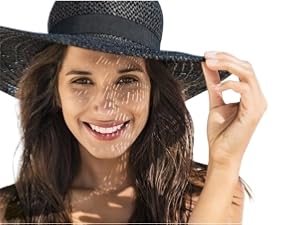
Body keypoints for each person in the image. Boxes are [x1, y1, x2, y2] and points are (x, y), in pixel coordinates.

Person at [0, 1, 267, 224]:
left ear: (154, 90)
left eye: (126, 80)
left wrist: (225, 161)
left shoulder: (208, 193)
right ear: (55, 92)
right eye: (82, 81)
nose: (105, 106)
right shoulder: (8, 212)